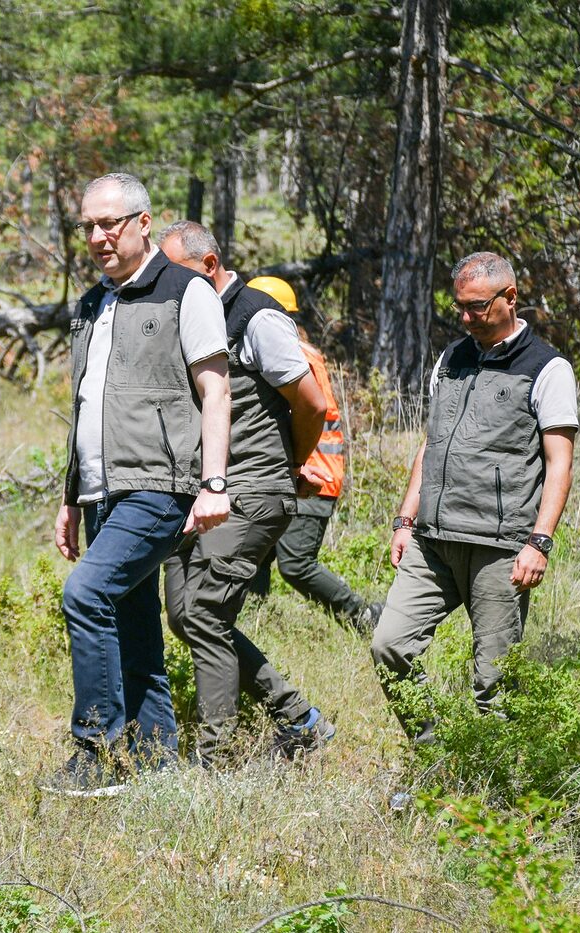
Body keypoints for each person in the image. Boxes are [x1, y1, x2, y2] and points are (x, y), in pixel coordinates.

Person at [44, 174, 231, 797]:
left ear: (143, 222)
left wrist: (213, 483)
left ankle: (96, 750)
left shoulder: (186, 293)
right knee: (132, 625)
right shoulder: (93, 302)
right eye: (87, 226)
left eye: (109, 224)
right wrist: (72, 498)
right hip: (102, 490)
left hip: (161, 485)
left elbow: (216, 392)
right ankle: (157, 770)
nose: (97, 237)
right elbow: (84, 405)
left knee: (85, 595)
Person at [371, 252, 578, 741]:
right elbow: (432, 441)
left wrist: (539, 542)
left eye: (477, 307)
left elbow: (560, 463)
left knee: (494, 684)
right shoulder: (451, 359)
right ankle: (435, 751)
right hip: (433, 541)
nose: (466, 318)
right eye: (459, 307)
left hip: (499, 548)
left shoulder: (547, 369)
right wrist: (405, 519)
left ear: (511, 298)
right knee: (389, 646)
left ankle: (495, 792)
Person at [157, 223, 335, 766]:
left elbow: (310, 402)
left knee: (206, 613)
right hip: (203, 491)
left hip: (252, 490)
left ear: (209, 263)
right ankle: (299, 718)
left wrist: (294, 462)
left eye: (176, 273)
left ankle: (215, 759)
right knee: (185, 615)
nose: (168, 285)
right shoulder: (191, 315)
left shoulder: (254, 314)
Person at [245, 276, 382, 634]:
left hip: (313, 475)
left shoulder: (294, 355)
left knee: (296, 563)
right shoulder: (294, 350)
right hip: (296, 471)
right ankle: (251, 624)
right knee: (255, 555)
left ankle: (364, 617)